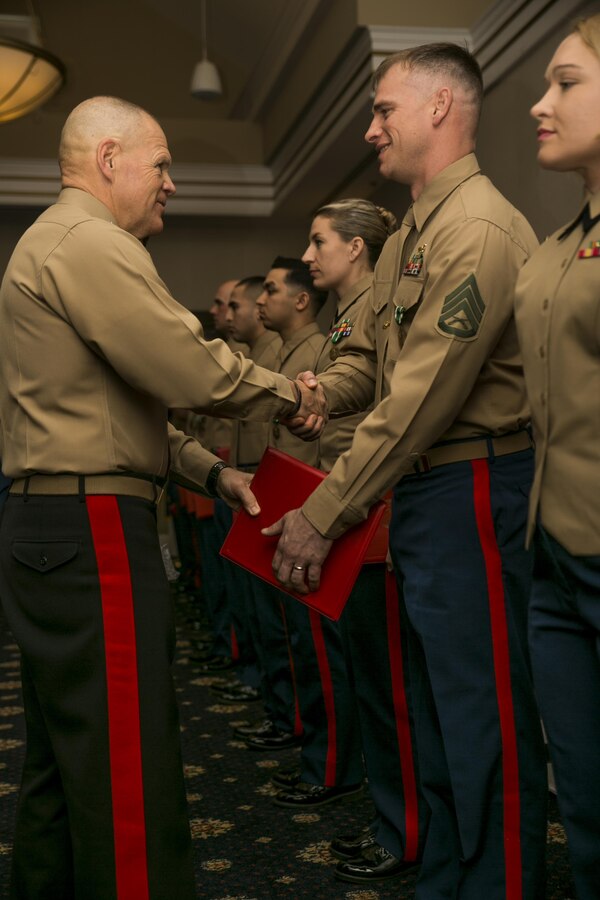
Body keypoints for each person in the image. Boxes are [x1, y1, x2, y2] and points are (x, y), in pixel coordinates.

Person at [0, 95, 324, 900]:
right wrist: (287, 395)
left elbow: (129, 409)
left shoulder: (58, 241)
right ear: (110, 160)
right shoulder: (89, 241)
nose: (172, 182)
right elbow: (186, 367)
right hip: (91, 525)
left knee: (64, 761)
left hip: (55, 515)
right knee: (126, 761)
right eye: (163, 163)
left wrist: (216, 474)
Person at [265, 45, 549, 898]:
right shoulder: (413, 235)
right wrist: (299, 390)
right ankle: (454, 878)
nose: (370, 128)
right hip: (424, 490)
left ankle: (499, 884)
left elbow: (421, 397)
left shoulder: (479, 229)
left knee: (482, 719)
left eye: (384, 110)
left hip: (472, 487)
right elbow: (371, 367)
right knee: (432, 713)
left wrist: (327, 511)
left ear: (437, 109)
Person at [290, 197, 429, 882]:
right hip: (351, 513)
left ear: (357, 249)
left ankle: (406, 831)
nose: (309, 256)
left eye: (319, 242)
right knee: (374, 684)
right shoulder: (351, 317)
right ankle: (395, 822)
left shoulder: (380, 304)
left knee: (389, 689)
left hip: (373, 515)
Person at [514, 15, 600, 900]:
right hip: (557, 561)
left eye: (567, 82)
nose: (541, 104)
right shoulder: (552, 251)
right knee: (581, 800)